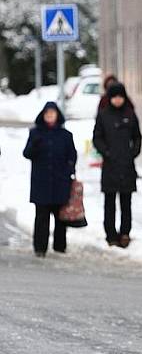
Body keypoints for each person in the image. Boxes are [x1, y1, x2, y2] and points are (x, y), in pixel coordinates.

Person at [22, 102, 77, 257]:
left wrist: (69, 168)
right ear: (43, 116)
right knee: (41, 217)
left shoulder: (66, 135)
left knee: (61, 218)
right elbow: (26, 154)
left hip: (60, 181)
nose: (50, 116)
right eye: (47, 114)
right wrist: (34, 145)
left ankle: (59, 247)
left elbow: (72, 155)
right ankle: (40, 248)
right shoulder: (35, 133)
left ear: (58, 115)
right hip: (41, 182)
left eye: (53, 114)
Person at [92, 83, 142, 248]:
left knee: (126, 202)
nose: (118, 100)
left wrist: (133, 152)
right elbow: (97, 137)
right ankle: (111, 234)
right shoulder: (103, 115)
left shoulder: (130, 114)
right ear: (110, 98)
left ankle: (125, 233)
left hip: (127, 165)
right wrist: (106, 152)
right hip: (110, 165)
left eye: (120, 96)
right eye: (115, 97)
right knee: (110, 202)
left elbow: (137, 137)